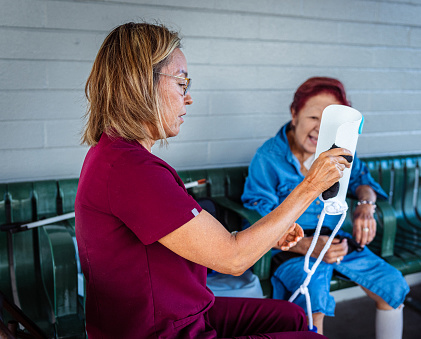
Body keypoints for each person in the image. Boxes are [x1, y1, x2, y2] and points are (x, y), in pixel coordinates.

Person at [74, 22, 350, 338]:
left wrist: (268, 237)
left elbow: (199, 243)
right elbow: (231, 259)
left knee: (294, 318)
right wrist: (312, 185)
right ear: (141, 85)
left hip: (178, 312)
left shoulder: (116, 155)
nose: (187, 98)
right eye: (181, 83)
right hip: (160, 330)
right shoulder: (130, 169)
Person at [241, 77, 410, 337]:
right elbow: (259, 219)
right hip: (291, 248)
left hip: (336, 243)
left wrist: (366, 205)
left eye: (329, 122)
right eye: (313, 118)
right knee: (312, 301)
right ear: (294, 114)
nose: (320, 129)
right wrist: (304, 245)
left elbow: (362, 180)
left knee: (392, 285)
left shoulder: (339, 150)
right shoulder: (268, 158)